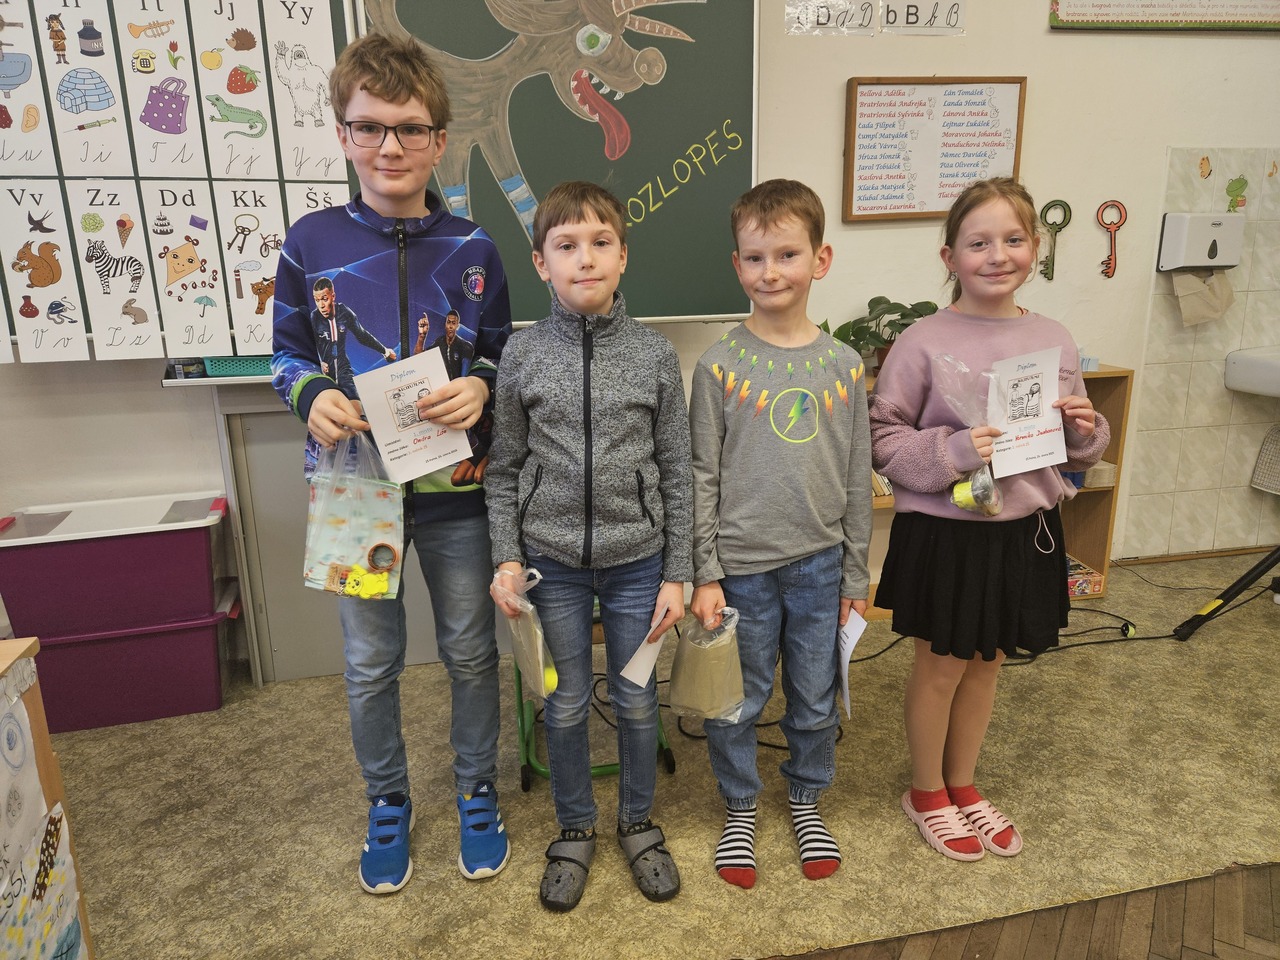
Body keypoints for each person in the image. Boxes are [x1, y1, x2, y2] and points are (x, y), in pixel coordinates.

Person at [270, 31, 513, 895]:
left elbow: (498, 355)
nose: (390, 147)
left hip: (455, 489)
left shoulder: (476, 247)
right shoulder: (310, 241)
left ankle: (477, 789)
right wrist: (309, 395)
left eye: (410, 129)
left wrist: (481, 387)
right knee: (370, 662)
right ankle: (388, 800)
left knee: (471, 651)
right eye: (369, 127)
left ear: (439, 140)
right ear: (343, 135)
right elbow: (285, 354)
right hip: (354, 488)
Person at [868, 177, 1110, 862]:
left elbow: (1072, 444)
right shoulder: (921, 340)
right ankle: (926, 792)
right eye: (978, 243)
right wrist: (951, 450)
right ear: (950, 257)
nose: (997, 255)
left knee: (987, 663)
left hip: (1023, 531)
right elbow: (882, 438)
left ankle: (963, 784)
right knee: (941, 666)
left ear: (1035, 247)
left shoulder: (1053, 337)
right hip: (948, 532)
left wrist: (1086, 432)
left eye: (1013, 239)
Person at [486, 180, 692, 912]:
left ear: (623, 255)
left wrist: (678, 571)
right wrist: (507, 556)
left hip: (640, 562)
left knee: (636, 701)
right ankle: (575, 827)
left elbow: (677, 470)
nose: (586, 259)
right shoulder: (521, 354)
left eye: (601, 242)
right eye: (567, 246)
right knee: (567, 702)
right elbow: (504, 469)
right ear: (541, 263)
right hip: (552, 567)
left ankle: (637, 822)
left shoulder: (655, 355)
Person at [688, 178, 873, 890]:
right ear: (736, 264)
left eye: (788, 255)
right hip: (740, 568)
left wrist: (856, 573)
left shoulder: (844, 366)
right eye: (756, 257)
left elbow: (855, 475)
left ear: (820, 259)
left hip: (820, 564)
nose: (771, 272)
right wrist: (705, 571)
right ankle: (740, 804)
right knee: (737, 694)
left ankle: (806, 797)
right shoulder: (719, 366)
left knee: (815, 691)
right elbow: (702, 475)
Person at [310, 276, 397, 395]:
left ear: (333, 296)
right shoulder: (314, 317)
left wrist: (385, 351)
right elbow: (308, 343)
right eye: (317, 300)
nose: (321, 305)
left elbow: (362, 335)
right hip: (323, 373)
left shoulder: (344, 312)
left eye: (325, 299)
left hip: (343, 368)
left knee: (355, 404)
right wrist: (319, 362)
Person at [415, 309, 474, 379]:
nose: (450, 326)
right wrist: (422, 336)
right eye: (448, 322)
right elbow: (418, 358)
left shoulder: (465, 346)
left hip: (458, 385)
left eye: (453, 323)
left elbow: (467, 377)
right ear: (445, 324)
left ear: (458, 326)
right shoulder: (439, 342)